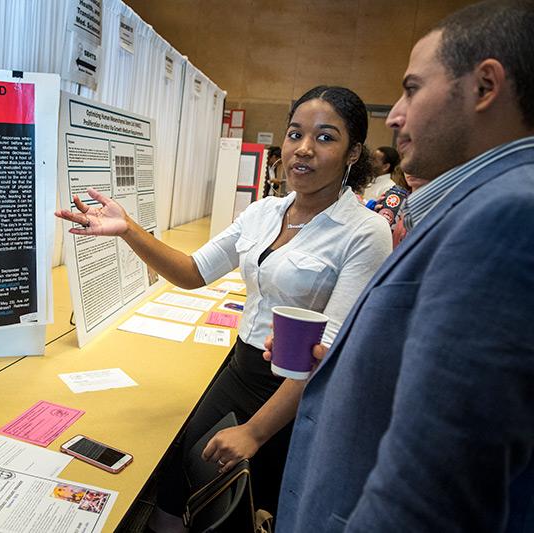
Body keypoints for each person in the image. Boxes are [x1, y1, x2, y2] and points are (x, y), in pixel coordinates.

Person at [56, 85, 392, 531]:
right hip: (241, 366)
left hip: (296, 391)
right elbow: (193, 271)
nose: (304, 150)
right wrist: (127, 229)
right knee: (182, 469)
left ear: (353, 153)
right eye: (295, 134)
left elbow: (327, 351)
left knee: (247, 501)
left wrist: (254, 432)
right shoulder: (264, 212)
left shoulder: (365, 232)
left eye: (326, 138)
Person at [273, 2, 534, 531]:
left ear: (485, 86)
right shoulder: (477, 204)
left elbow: (436, 480)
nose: (394, 114)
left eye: (412, 89)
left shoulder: (507, 216)